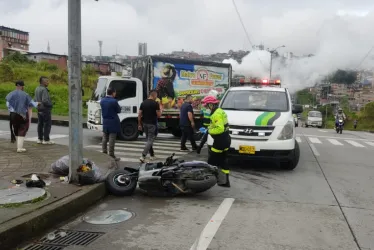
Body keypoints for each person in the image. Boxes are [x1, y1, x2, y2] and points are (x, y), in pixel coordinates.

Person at [204, 95, 231, 187]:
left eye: (207, 106)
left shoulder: (216, 114)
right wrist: (209, 127)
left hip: (220, 141)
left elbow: (219, 128)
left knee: (211, 160)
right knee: (223, 161)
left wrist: (209, 131)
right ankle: (225, 182)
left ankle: (206, 180)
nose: (206, 108)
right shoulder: (220, 111)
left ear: (211, 105)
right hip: (226, 139)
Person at [6, 81, 40, 152]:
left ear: (16, 86)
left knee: (16, 128)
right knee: (22, 128)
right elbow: (31, 104)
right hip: (22, 115)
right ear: (22, 86)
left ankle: (18, 146)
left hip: (12, 114)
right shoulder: (25, 94)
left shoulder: (10, 94)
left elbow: (7, 104)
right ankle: (20, 147)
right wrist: (38, 103)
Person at [138, 90, 161, 163]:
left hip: (145, 124)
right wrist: (160, 108)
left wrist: (139, 124)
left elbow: (139, 114)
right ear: (154, 95)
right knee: (150, 140)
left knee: (148, 140)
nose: (156, 97)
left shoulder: (143, 103)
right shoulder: (156, 104)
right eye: (156, 95)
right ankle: (143, 156)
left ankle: (152, 155)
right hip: (152, 124)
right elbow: (159, 115)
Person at [100, 87, 121, 161]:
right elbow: (118, 110)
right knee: (112, 139)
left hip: (105, 121)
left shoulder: (102, 101)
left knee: (105, 138)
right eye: (115, 92)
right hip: (113, 121)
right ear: (113, 93)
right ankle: (111, 155)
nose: (115, 94)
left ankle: (104, 152)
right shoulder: (114, 101)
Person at [197, 90, 218, 154]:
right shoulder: (213, 107)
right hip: (210, 124)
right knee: (207, 136)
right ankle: (200, 148)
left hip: (207, 123)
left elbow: (201, 112)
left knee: (206, 136)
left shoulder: (206, 106)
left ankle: (199, 148)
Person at [34, 76, 54, 144]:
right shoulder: (44, 89)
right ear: (43, 82)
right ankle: (46, 139)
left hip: (39, 109)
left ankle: (40, 139)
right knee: (47, 124)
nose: (48, 82)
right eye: (47, 81)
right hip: (45, 109)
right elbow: (45, 100)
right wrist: (50, 104)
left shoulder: (37, 88)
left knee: (40, 124)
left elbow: (35, 99)